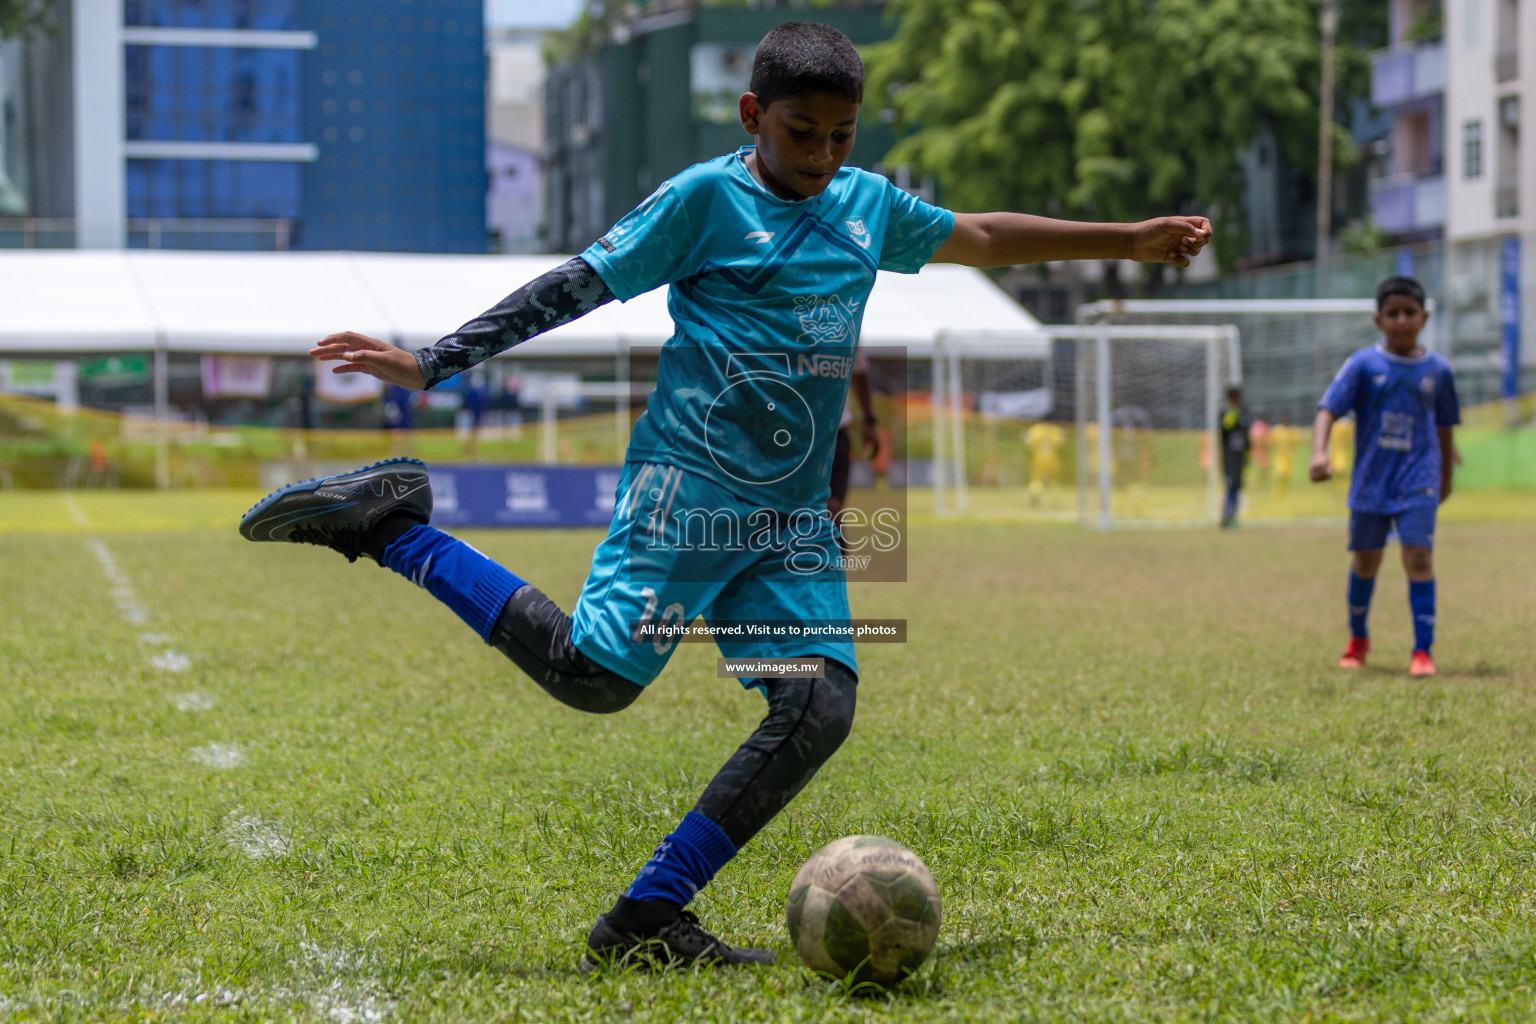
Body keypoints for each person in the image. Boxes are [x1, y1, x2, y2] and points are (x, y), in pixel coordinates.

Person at [238, 22, 1211, 971]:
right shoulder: (704, 200)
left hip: (788, 516)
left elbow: (986, 235)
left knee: (819, 707)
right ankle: (391, 526)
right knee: (595, 678)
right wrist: (434, 362)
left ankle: (648, 913)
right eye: (803, 132)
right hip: (690, 488)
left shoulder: (868, 206)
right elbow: (579, 282)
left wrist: (1128, 236)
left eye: (842, 135)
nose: (826, 155)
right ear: (754, 113)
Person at [1310, 276, 1459, 677]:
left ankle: (1422, 651)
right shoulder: (1362, 365)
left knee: (1418, 557)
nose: (1401, 320)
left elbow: (1445, 426)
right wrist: (1318, 452)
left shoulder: (1439, 370)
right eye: (1392, 313)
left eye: (1409, 312)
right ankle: (1358, 639)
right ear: (1378, 320)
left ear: (1424, 317)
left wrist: (1446, 474)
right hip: (1372, 481)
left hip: (1419, 480)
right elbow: (1328, 410)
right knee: (1366, 561)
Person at [827, 348, 878, 553]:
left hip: (836, 435)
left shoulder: (848, 323)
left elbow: (860, 373)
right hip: (801, 436)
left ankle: (835, 567)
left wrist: (870, 420)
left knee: (833, 509)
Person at [1219, 386, 1251, 528]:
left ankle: (1233, 517)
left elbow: (1247, 435)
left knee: (1237, 486)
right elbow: (1225, 427)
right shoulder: (1225, 414)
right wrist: (1234, 415)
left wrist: (1247, 453)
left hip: (1240, 458)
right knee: (1230, 486)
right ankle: (1227, 517)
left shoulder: (1244, 413)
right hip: (1229, 457)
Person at [1024, 419, 1065, 506]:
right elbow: (1059, 443)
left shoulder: (1035, 429)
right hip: (1052, 457)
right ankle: (1055, 499)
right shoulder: (1055, 429)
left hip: (1038, 457)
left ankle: (1035, 493)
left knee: (1037, 479)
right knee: (1055, 480)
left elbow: (1029, 443)